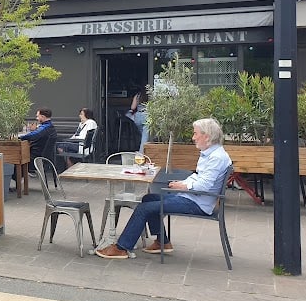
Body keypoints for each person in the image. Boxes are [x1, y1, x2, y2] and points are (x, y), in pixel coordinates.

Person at [95, 118, 232, 259]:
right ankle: (163, 242)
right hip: (194, 197)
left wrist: (183, 186)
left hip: (197, 203)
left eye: (196, 134)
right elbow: (200, 177)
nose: (193, 137)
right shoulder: (212, 153)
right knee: (148, 199)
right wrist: (183, 182)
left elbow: (204, 185)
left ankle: (122, 247)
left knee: (144, 209)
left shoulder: (216, 157)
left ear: (206, 136)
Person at [13, 108, 57, 188]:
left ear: (43, 117)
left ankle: (20, 182)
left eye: (38, 116)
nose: (36, 118)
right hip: (45, 155)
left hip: (37, 157)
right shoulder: (50, 127)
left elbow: (34, 135)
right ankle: (22, 178)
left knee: (16, 160)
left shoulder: (45, 128)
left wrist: (20, 137)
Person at [128, 87, 149, 153]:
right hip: (147, 116)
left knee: (143, 135)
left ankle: (142, 151)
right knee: (145, 136)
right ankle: (141, 154)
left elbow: (133, 107)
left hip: (138, 117)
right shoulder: (151, 96)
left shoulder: (138, 95)